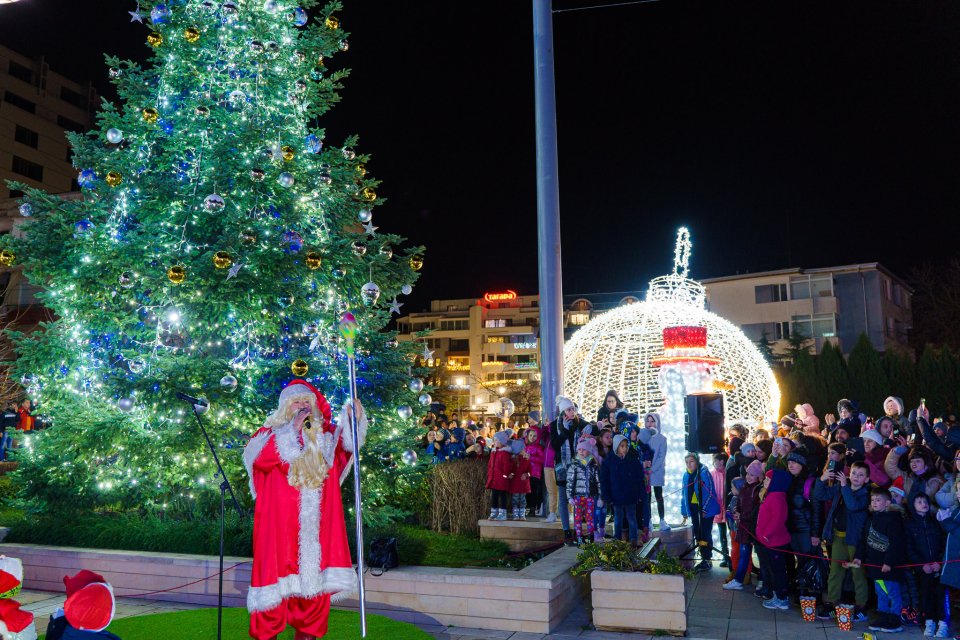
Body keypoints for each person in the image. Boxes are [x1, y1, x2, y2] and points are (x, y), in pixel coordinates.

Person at [242, 379, 363, 640]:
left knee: (313, 600)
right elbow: (259, 462)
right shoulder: (267, 435)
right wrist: (291, 430)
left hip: (316, 532)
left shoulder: (326, 437)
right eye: (295, 401)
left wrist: (353, 419)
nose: (302, 406)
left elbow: (346, 448)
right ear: (284, 407)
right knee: (271, 600)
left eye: (307, 401)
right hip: (279, 531)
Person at [813, 460, 871, 622]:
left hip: (856, 539)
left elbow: (852, 505)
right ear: (849, 473)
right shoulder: (841, 487)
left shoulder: (866, 493)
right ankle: (831, 602)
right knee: (835, 571)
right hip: (838, 535)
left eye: (861, 475)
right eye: (853, 473)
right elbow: (820, 495)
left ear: (866, 479)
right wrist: (822, 479)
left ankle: (861, 606)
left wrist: (844, 486)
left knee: (858, 573)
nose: (856, 477)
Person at [853, 488, 907, 634]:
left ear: (887, 502)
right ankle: (883, 617)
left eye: (878, 500)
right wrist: (858, 556)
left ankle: (895, 620)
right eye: (872, 500)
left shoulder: (893, 520)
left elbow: (896, 543)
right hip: (875, 566)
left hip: (889, 566)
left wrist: (889, 562)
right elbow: (864, 540)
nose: (874, 503)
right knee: (880, 593)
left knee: (893, 593)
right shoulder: (871, 519)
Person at [904, 493, 948, 637]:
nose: (923, 504)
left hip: (938, 567)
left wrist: (940, 562)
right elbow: (909, 547)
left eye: (925, 501)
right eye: (919, 502)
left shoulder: (936, 522)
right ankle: (929, 622)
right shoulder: (909, 525)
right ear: (913, 505)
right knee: (926, 595)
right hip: (923, 569)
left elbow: (943, 542)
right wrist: (921, 564)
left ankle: (943, 623)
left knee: (940, 595)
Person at [550, 396, 590, 544]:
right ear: (563, 412)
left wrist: (593, 428)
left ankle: (580, 532)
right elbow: (555, 445)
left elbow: (595, 430)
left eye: (573, 408)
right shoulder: (555, 425)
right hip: (562, 466)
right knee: (563, 499)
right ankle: (567, 532)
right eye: (569, 409)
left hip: (578, 466)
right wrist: (564, 432)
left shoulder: (578, 422)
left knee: (579, 497)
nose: (572, 411)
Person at [723, 460, 764, 591]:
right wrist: (737, 513)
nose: (749, 477)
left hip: (753, 528)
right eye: (748, 474)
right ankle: (739, 579)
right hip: (743, 527)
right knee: (743, 554)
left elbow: (756, 511)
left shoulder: (758, 489)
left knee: (761, 555)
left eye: (752, 475)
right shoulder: (745, 487)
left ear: (758, 476)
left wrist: (743, 516)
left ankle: (763, 580)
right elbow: (740, 503)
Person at [757, 469, 793, 610]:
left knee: (778, 570)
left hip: (776, 541)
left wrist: (766, 534)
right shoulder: (771, 495)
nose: (764, 481)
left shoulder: (777, 498)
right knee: (775, 569)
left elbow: (778, 520)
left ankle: (782, 599)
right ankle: (778, 595)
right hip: (770, 541)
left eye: (767, 479)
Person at [600, 434, 644, 547]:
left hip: (631, 494)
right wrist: (607, 496)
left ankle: (633, 539)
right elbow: (604, 481)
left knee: (631, 517)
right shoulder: (608, 462)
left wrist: (641, 493)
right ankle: (618, 539)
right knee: (618, 518)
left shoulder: (633, 461)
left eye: (626, 446)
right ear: (616, 447)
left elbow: (640, 478)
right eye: (622, 446)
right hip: (616, 495)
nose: (625, 448)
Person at [681, 454, 720, 572]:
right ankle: (703, 556)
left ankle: (707, 559)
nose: (689, 464)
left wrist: (704, 509)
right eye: (687, 462)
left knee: (705, 532)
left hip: (705, 509)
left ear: (697, 462)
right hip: (693, 508)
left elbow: (710, 491)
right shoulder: (686, 475)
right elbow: (684, 494)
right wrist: (684, 511)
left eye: (691, 461)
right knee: (698, 533)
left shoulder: (704, 473)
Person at [568, 438, 601, 545]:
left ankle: (591, 537)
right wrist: (570, 496)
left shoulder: (594, 466)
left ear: (589, 451)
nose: (581, 452)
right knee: (578, 517)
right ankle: (580, 538)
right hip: (578, 496)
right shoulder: (574, 466)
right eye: (579, 449)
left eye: (584, 449)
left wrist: (600, 497)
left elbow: (598, 483)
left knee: (590, 517)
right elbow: (570, 482)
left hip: (590, 496)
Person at [645, 413, 669, 532]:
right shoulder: (644, 437)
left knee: (659, 495)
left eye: (653, 421)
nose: (650, 424)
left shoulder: (662, 438)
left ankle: (662, 519)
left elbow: (661, 456)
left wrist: (652, 469)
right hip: (646, 472)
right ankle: (648, 520)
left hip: (657, 471)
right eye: (648, 421)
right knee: (647, 496)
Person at [486, 431, 513, 521]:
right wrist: (490, 474)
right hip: (494, 478)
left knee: (502, 496)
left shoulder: (504, 453)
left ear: (502, 441)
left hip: (501, 479)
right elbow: (490, 465)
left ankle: (503, 512)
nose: (494, 442)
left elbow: (507, 466)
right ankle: (494, 512)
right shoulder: (494, 452)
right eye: (494, 440)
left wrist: (505, 475)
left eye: (496, 440)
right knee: (494, 496)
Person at [711, 453, 730, 568]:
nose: (714, 464)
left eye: (715, 461)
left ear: (721, 461)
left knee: (732, 532)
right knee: (722, 532)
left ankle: (733, 555)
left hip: (727, 508)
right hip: (718, 508)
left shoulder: (728, 473)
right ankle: (725, 555)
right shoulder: (712, 474)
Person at [524, 417, 546, 517]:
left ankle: (533, 508)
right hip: (525, 472)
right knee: (526, 491)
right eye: (531, 435)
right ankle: (527, 507)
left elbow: (541, 460)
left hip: (535, 473)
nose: (532, 437)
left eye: (534, 436)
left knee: (533, 491)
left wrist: (531, 457)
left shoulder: (539, 448)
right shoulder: (524, 447)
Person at [507, 439, 531, 521]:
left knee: (522, 499)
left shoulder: (526, 460)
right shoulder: (514, 461)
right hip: (516, 484)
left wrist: (527, 474)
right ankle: (516, 513)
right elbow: (510, 470)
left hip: (523, 484)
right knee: (515, 499)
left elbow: (530, 470)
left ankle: (522, 513)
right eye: (523, 449)